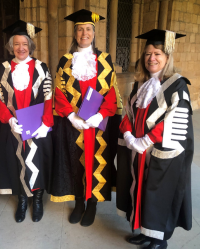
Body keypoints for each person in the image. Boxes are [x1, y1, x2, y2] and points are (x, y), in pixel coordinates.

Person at [116, 29, 193, 249]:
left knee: (158, 193)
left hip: (160, 153)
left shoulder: (178, 85)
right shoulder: (140, 84)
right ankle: (145, 231)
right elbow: (129, 113)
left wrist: (145, 141)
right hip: (138, 152)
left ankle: (159, 239)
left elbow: (175, 118)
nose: (152, 58)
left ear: (167, 57)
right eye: (148, 53)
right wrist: (130, 136)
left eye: (157, 53)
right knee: (141, 190)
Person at [51, 9, 122, 227]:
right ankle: (79, 203)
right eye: (80, 29)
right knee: (75, 163)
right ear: (74, 33)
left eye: (88, 29)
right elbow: (58, 92)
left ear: (94, 32)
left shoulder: (105, 60)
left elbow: (112, 92)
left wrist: (101, 114)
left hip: (97, 126)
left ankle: (92, 204)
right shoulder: (65, 61)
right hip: (73, 124)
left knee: (96, 164)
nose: (84, 33)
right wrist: (71, 115)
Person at [0, 20, 54, 223]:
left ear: (30, 46)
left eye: (25, 44)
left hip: (37, 126)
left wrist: (46, 123)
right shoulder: (2, 69)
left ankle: (36, 198)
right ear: (11, 46)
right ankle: (21, 199)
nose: (21, 48)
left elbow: (48, 96)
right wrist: (9, 120)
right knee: (16, 160)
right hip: (13, 127)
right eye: (17, 44)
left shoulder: (41, 67)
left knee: (36, 161)